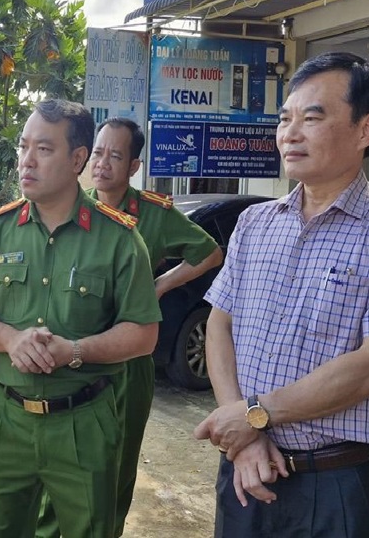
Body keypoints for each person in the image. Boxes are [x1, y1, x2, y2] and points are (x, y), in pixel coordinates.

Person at [193, 52, 369, 537]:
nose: (290, 132)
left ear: (365, 130)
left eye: (313, 117)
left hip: (334, 485)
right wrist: (242, 438)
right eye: (285, 118)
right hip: (245, 472)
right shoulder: (255, 223)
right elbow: (220, 323)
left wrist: (254, 417)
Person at [0, 99, 162, 537]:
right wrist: (10, 339)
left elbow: (143, 334)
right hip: (6, 418)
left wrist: (76, 351)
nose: (26, 160)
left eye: (44, 149)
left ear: (77, 159)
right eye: (24, 146)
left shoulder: (119, 239)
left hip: (83, 420)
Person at [35, 117, 223, 538]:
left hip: (127, 363)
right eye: (98, 153)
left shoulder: (153, 215)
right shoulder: (71, 205)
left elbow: (209, 253)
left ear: (134, 166)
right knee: (59, 459)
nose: (102, 163)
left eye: (115, 156)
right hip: (73, 357)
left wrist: (159, 285)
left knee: (114, 466)